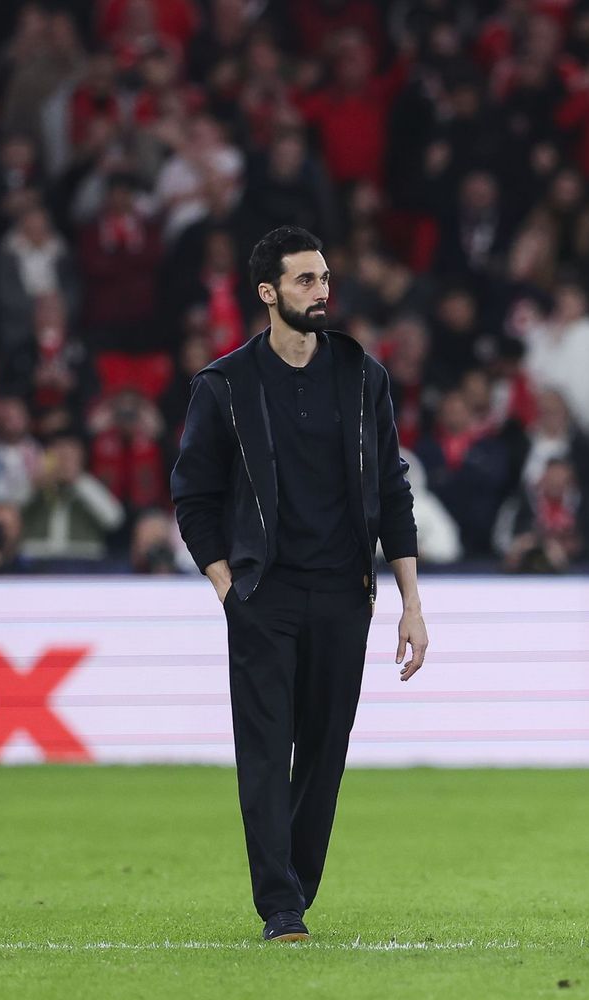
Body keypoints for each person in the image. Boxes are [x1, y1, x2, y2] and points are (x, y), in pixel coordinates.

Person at [171, 226, 428, 943]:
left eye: (323, 278)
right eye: (305, 280)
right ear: (268, 292)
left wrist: (411, 601)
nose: (322, 291)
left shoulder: (361, 374)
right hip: (266, 596)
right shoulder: (225, 385)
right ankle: (280, 905)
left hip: (346, 594)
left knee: (324, 747)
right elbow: (192, 496)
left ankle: (296, 886)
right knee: (264, 746)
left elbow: (394, 491)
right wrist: (229, 589)